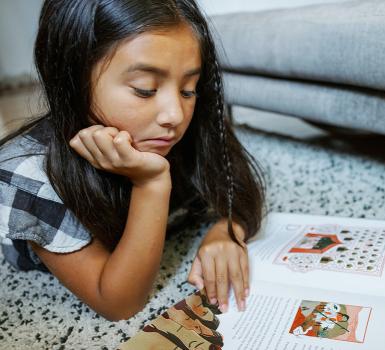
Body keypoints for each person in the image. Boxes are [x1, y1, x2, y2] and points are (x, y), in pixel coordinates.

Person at [0, 0, 266, 321]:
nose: (174, 115)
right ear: (72, 78)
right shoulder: (30, 173)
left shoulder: (180, 122)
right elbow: (118, 303)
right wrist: (151, 184)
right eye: (145, 90)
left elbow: (240, 187)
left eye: (188, 89)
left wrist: (226, 231)